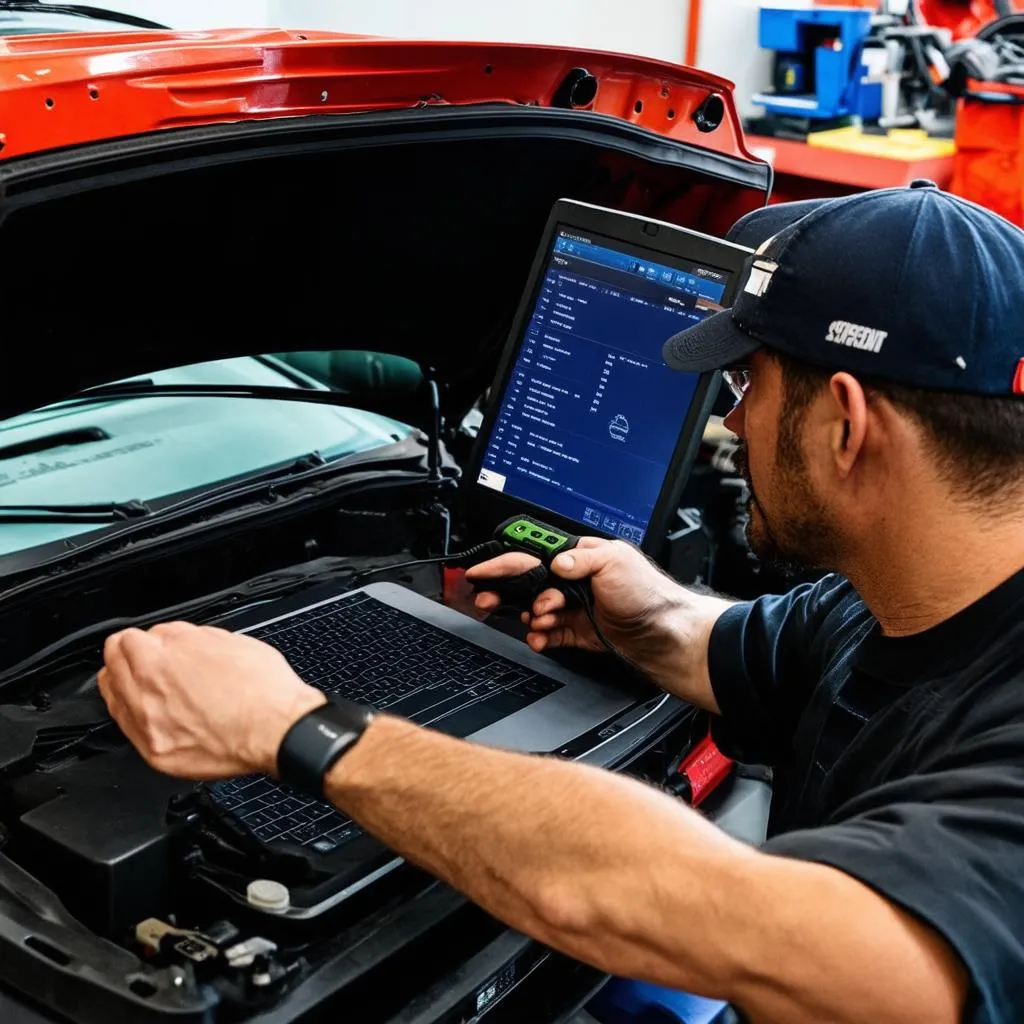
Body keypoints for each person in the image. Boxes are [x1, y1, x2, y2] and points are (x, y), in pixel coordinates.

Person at [97, 182, 1024, 1024]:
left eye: (749, 389)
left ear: (849, 425)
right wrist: (639, 612)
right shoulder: (890, 601)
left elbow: (792, 940)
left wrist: (302, 730)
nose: (731, 425)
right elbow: (724, 642)